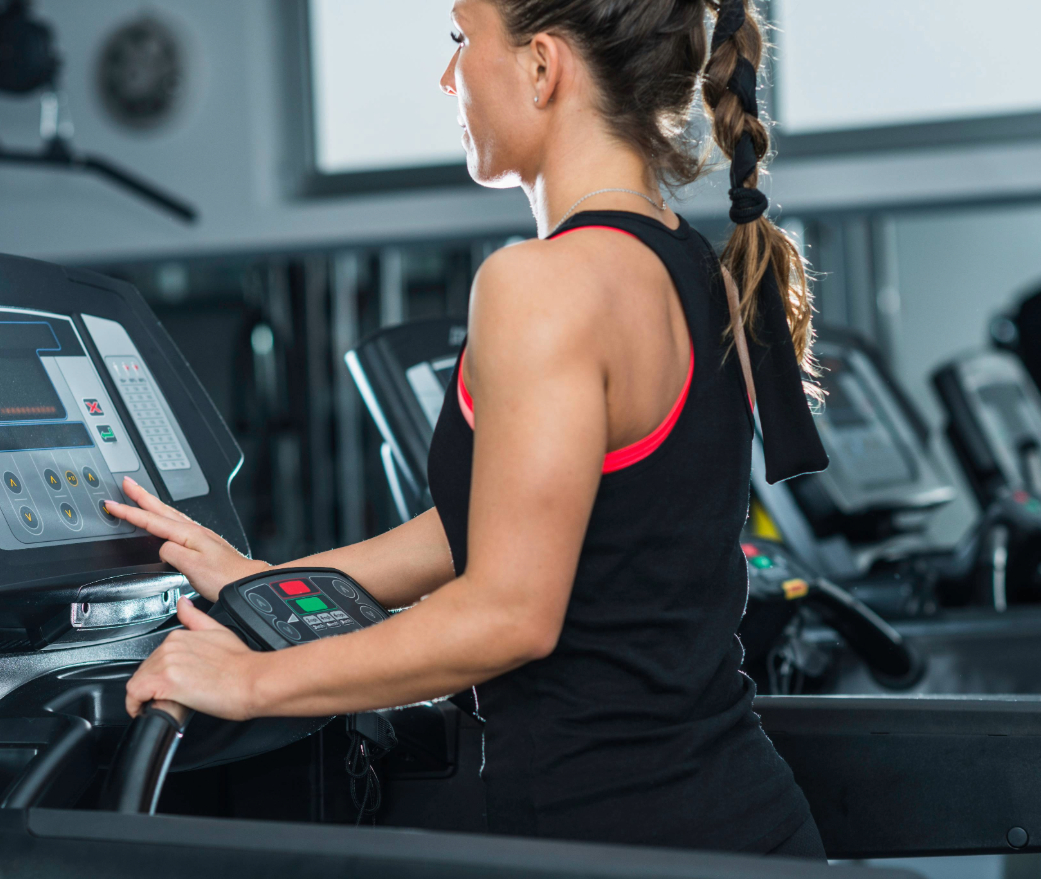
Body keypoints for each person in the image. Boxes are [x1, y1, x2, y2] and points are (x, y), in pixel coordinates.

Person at [107, 0, 829, 860]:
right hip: (731, 816)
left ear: (542, 65)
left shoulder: (543, 285)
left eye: (461, 39)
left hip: (622, 833)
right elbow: (503, 530)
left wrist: (251, 679)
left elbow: (510, 613)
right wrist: (270, 580)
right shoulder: (692, 267)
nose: (448, 76)